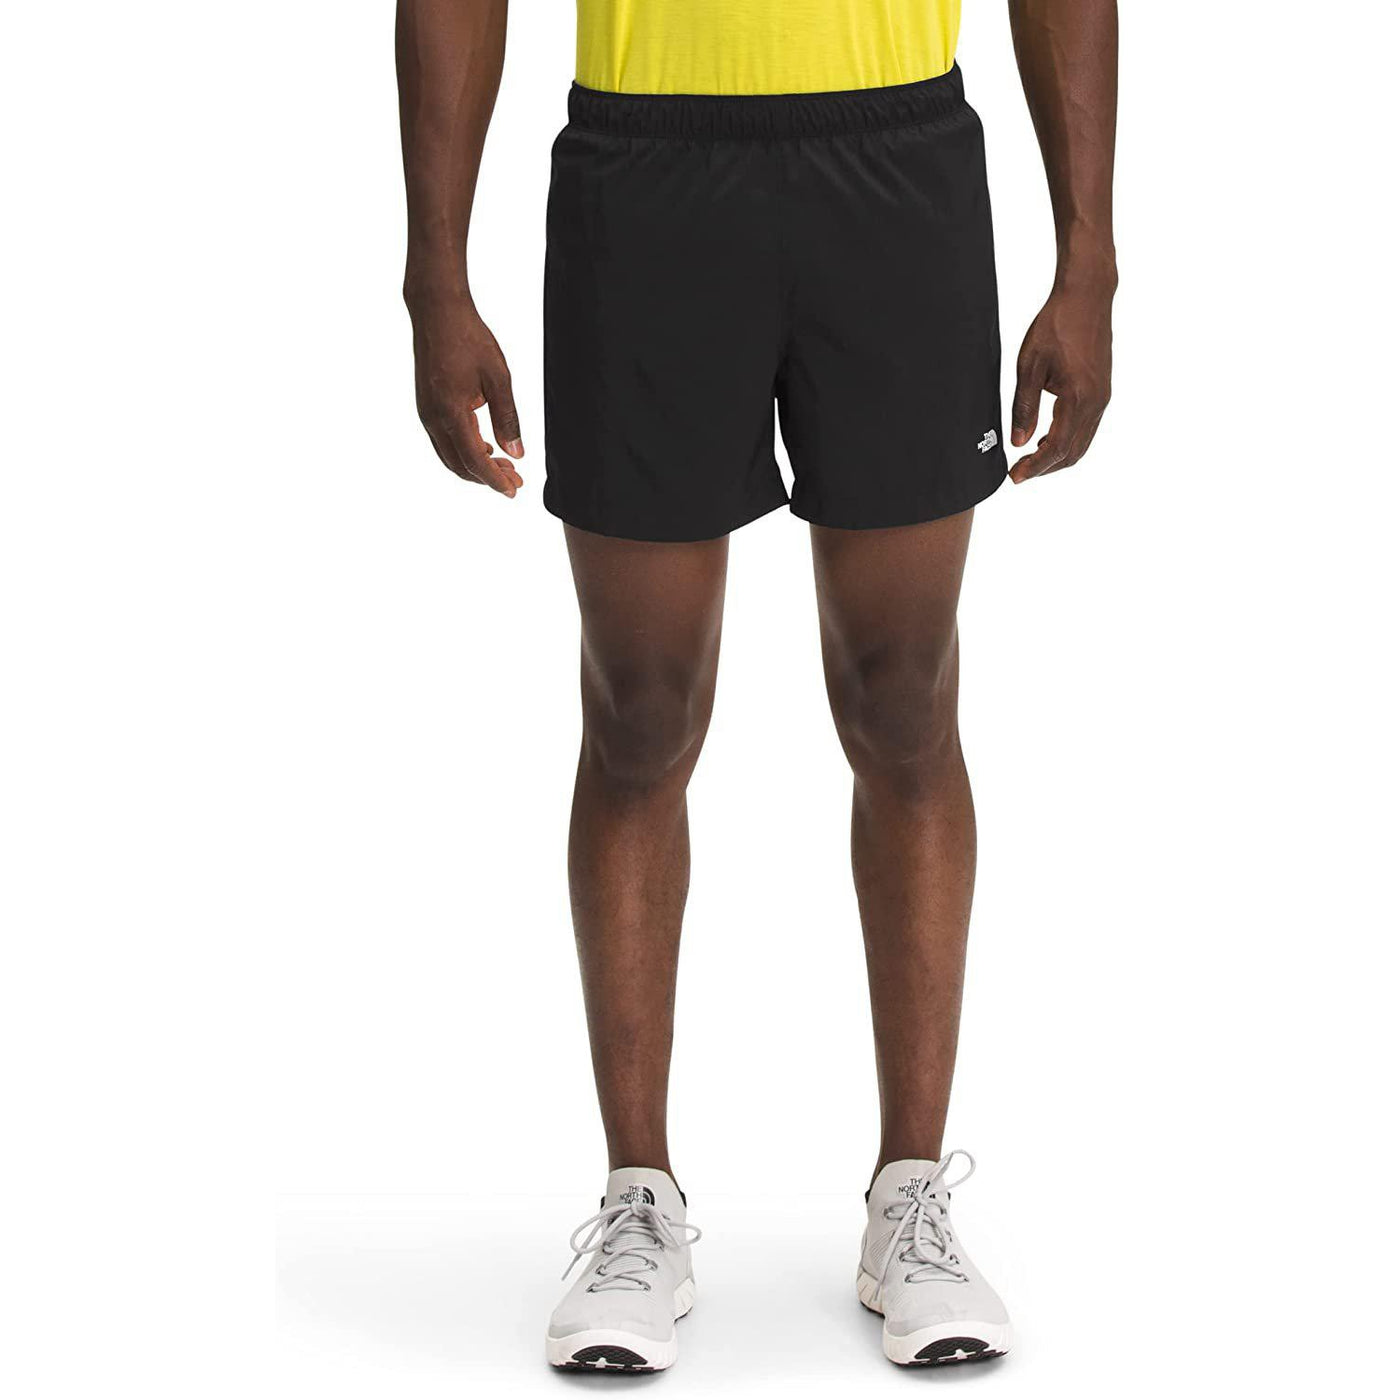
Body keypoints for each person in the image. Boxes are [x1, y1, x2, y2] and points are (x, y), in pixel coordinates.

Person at [396, 0, 1116, 1372]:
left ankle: (912, 1197)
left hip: (895, 162)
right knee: (640, 711)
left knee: (903, 699)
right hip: (644, 171)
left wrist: (1090, 256)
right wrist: (436, 272)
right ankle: (638, 1203)